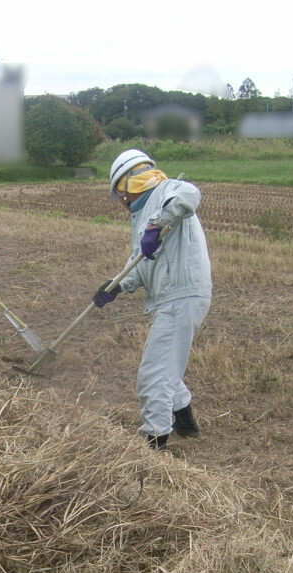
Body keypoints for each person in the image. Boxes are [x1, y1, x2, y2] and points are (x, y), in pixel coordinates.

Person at [93, 148, 211, 449]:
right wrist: (117, 285)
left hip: (180, 294)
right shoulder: (142, 216)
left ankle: (155, 442)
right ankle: (186, 423)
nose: (122, 201)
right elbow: (141, 263)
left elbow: (190, 194)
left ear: (126, 186)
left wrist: (158, 224)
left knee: (153, 375)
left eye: (121, 194)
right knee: (167, 364)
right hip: (173, 297)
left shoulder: (167, 190)